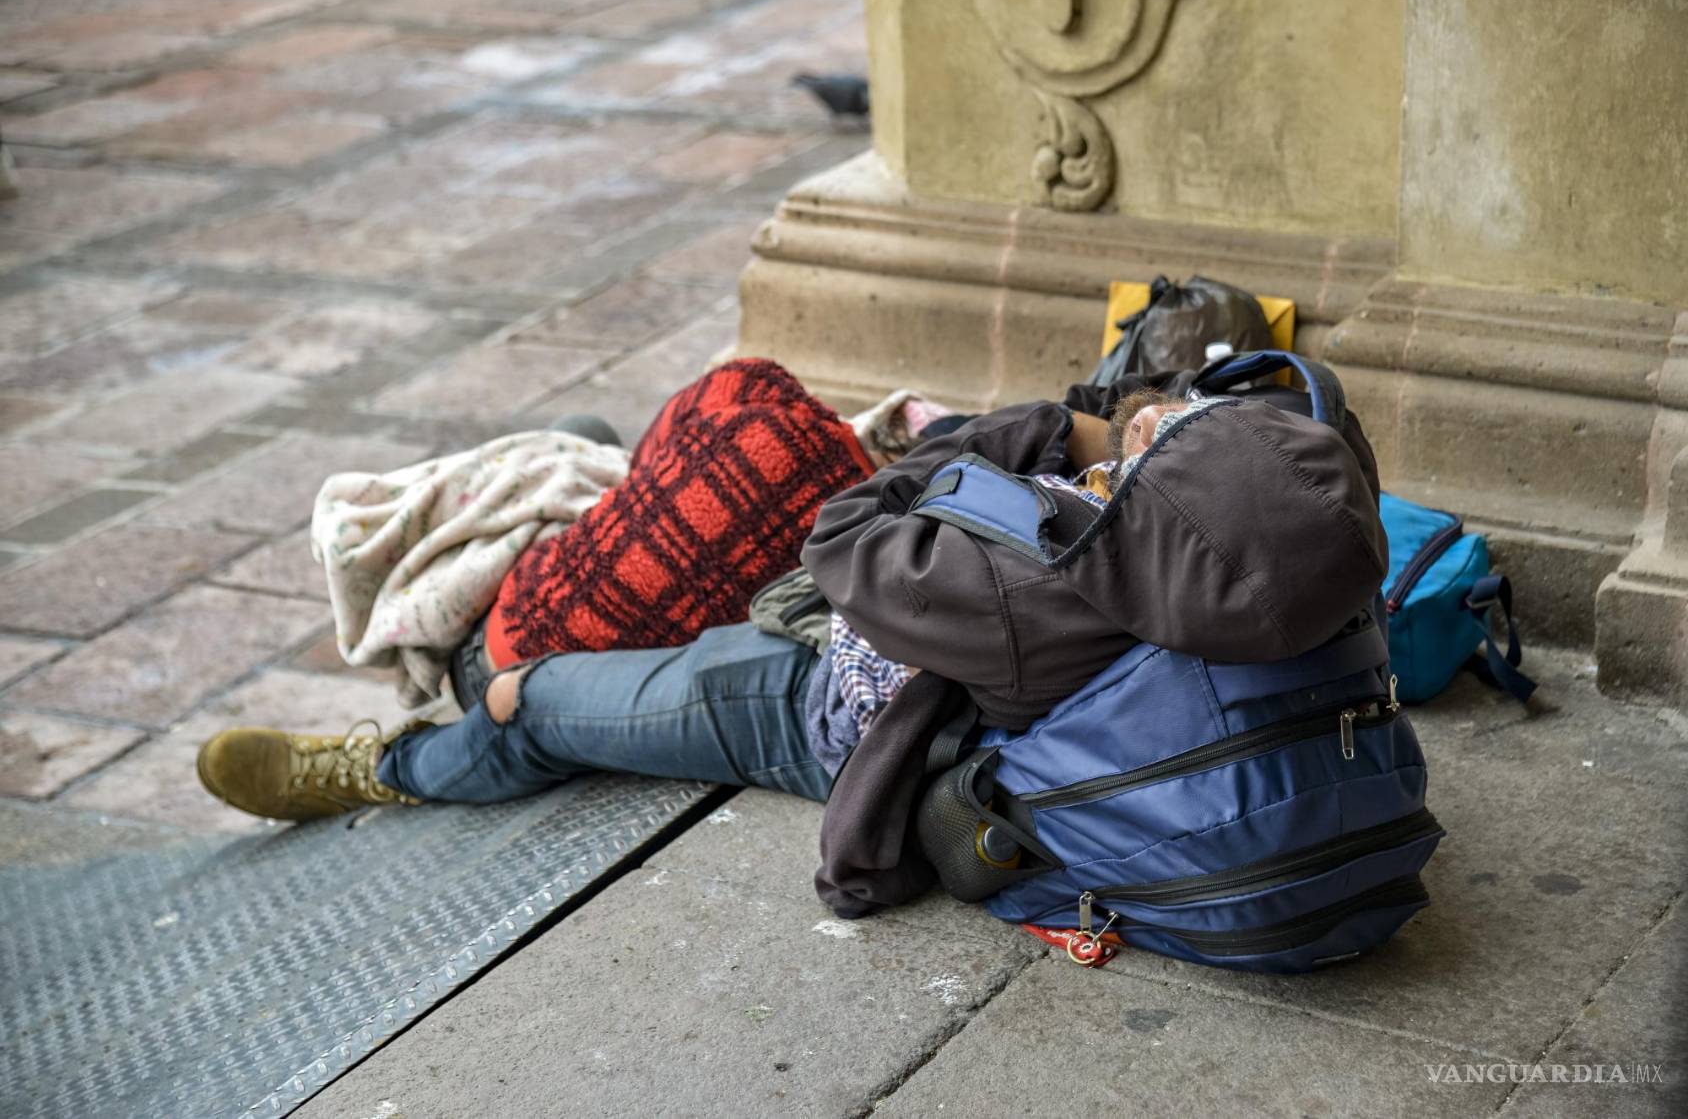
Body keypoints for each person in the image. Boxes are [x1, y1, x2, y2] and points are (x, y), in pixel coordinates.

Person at [197, 368, 1385, 826]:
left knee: (532, 700)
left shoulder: (1043, 584)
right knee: (608, 462)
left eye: (1173, 439)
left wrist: (1046, 431)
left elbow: (843, 533)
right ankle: (566, 492)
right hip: (915, 644)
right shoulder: (1269, 581)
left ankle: (383, 769)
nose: (1159, 421)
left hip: (818, 698)